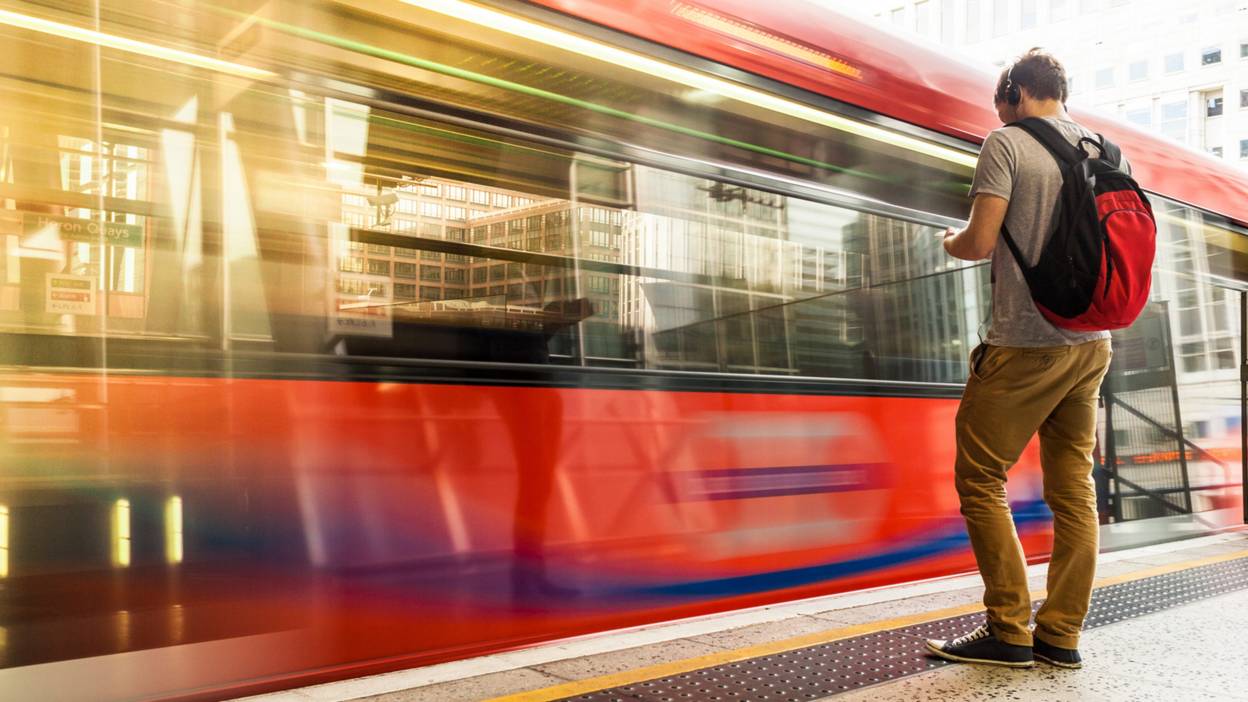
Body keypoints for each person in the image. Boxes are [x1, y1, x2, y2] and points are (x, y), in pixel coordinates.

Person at [924, 48, 1115, 670]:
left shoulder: (1005, 143)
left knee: (980, 479)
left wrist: (947, 240)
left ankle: (1008, 628)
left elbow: (979, 242)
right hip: (1092, 344)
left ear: (1014, 91)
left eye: (998, 98)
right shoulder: (1106, 151)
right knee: (1074, 491)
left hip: (1026, 343)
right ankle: (1060, 635)